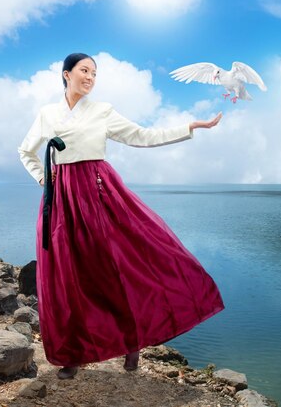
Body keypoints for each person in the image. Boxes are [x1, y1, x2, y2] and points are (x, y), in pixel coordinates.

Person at [18, 53, 225, 380]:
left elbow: (142, 136)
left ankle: (132, 340)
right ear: (66, 74)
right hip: (63, 201)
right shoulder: (48, 114)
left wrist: (190, 127)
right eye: (84, 71)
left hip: (99, 196)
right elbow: (26, 150)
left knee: (113, 269)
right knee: (67, 276)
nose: (90, 77)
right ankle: (72, 353)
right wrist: (43, 177)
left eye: (94, 73)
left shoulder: (102, 111)